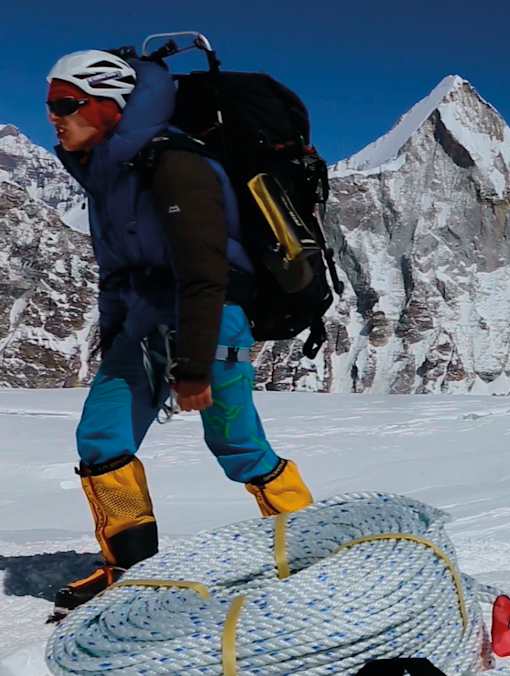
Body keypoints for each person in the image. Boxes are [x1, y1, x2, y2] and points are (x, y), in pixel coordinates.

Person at [46, 49, 314, 612]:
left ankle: (313, 549)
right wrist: (117, 333)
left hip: (211, 321)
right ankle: (129, 571)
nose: (54, 115)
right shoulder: (108, 175)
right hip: (145, 323)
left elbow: (205, 271)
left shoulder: (174, 163)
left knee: (238, 447)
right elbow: (119, 268)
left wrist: (193, 366)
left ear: (109, 106)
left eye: (66, 103)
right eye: (51, 104)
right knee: (102, 438)